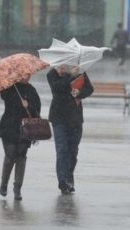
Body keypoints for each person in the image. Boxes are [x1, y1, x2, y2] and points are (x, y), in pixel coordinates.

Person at [47, 65, 94, 194]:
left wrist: (80, 93)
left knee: (73, 152)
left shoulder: (79, 72)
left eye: (64, 66)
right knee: (62, 150)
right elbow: (57, 88)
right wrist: (70, 76)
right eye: (59, 66)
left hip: (76, 119)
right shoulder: (52, 74)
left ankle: (69, 179)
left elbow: (89, 89)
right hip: (59, 119)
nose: (62, 69)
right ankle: (62, 181)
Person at [0, 79, 41, 201]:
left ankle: (17, 188)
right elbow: (4, 97)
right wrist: (16, 98)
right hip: (9, 126)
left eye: (28, 74)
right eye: (24, 74)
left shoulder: (31, 90)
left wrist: (29, 106)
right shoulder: (10, 87)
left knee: (21, 157)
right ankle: (4, 184)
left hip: (25, 128)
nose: (26, 76)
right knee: (10, 155)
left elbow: (37, 110)